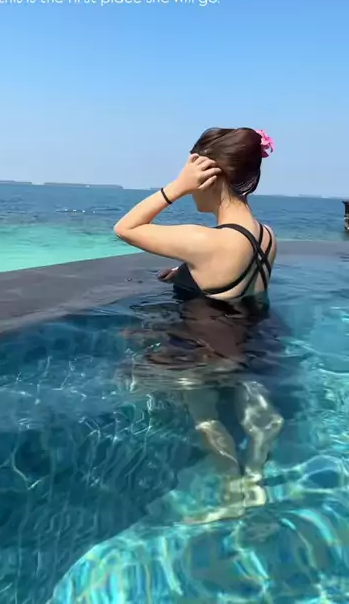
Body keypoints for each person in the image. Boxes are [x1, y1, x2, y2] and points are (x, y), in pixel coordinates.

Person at [114, 127, 283, 520]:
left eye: (193, 176)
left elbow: (125, 228)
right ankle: (256, 478)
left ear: (211, 176)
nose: (191, 190)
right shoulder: (267, 236)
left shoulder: (206, 241)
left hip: (203, 352)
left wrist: (175, 187)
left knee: (201, 416)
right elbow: (234, 279)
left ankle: (232, 491)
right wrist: (185, 274)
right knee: (249, 403)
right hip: (252, 340)